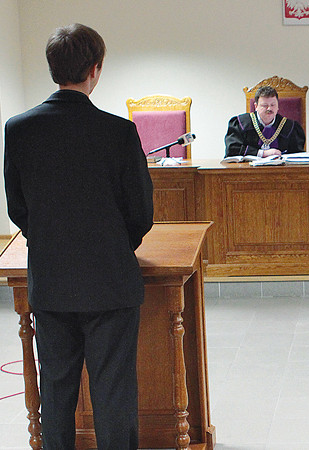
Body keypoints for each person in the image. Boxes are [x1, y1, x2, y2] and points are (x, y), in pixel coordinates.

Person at [4, 24, 153, 448]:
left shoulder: (19, 128)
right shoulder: (118, 132)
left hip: (52, 281)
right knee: (113, 393)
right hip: (111, 282)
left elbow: (18, 207)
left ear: (53, 69)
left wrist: (52, 242)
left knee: (56, 390)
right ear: (95, 69)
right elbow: (141, 212)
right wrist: (112, 245)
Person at [224, 86, 305, 157]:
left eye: (273, 105)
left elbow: (297, 155)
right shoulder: (240, 123)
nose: (269, 109)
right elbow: (232, 149)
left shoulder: (290, 126)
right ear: (256, 106)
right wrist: (262, 153)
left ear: (278, 106)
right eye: (265, 105)